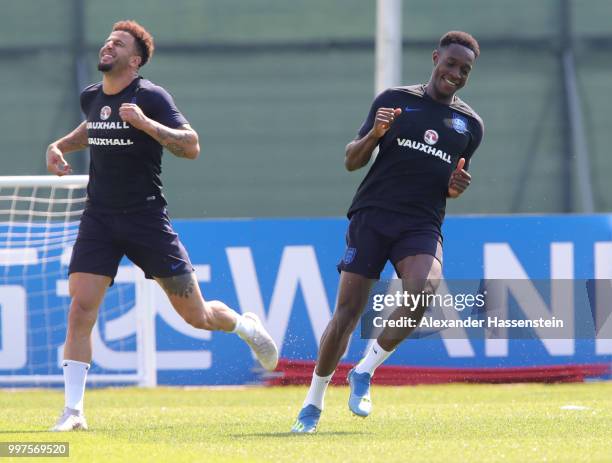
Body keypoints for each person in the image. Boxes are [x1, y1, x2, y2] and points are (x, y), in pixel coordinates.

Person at [46, 20, 278, 432]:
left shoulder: (150, 96)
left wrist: (148, 126)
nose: (108, 46)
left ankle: (244, 325)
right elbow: (93, 127)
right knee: (81, 308)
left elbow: (191, 145)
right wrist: (59, 145)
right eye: (107, 40)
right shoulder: (92, 97)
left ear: (133, 60)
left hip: (146, 220)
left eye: (118, 44)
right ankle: (74, 412)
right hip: (98, 218)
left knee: (197, 316)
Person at [291, 31, 483, 433]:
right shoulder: (393, 100)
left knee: (424, 290)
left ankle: (364, 370)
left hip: (421, 223)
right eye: (450, 64)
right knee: (345, 316)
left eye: (465, 70)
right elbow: (351, 160)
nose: (456, 74)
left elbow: (450, 180)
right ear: (435, 59)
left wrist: (455, 187)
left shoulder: (469, 125)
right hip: (373, 217)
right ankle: (313, 403)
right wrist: (375, 135)